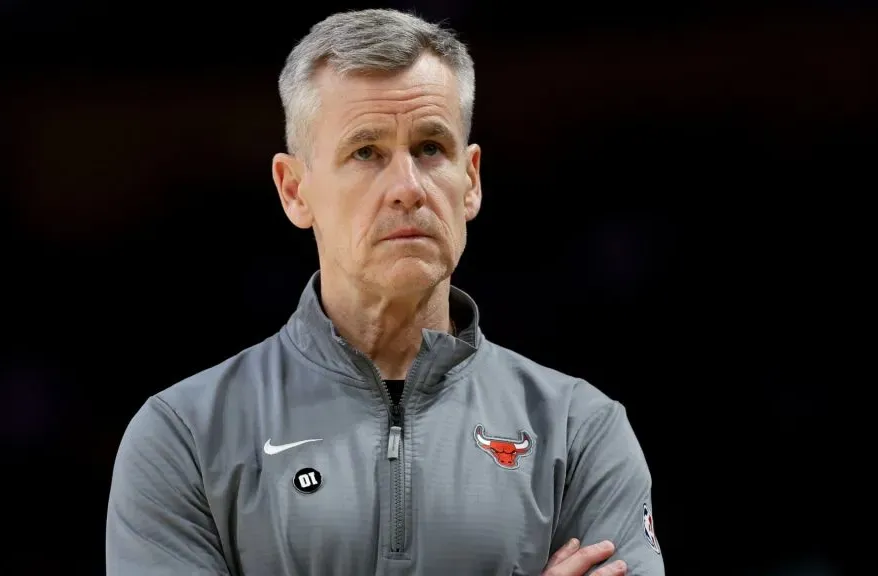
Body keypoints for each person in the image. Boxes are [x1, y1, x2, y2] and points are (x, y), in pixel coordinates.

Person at [106, 8, 665, 576]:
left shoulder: (581, 432)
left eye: (429, 148)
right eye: (366, 152)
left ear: (470, 180)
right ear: (294, 189)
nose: (407, 188)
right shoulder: (186, 436)